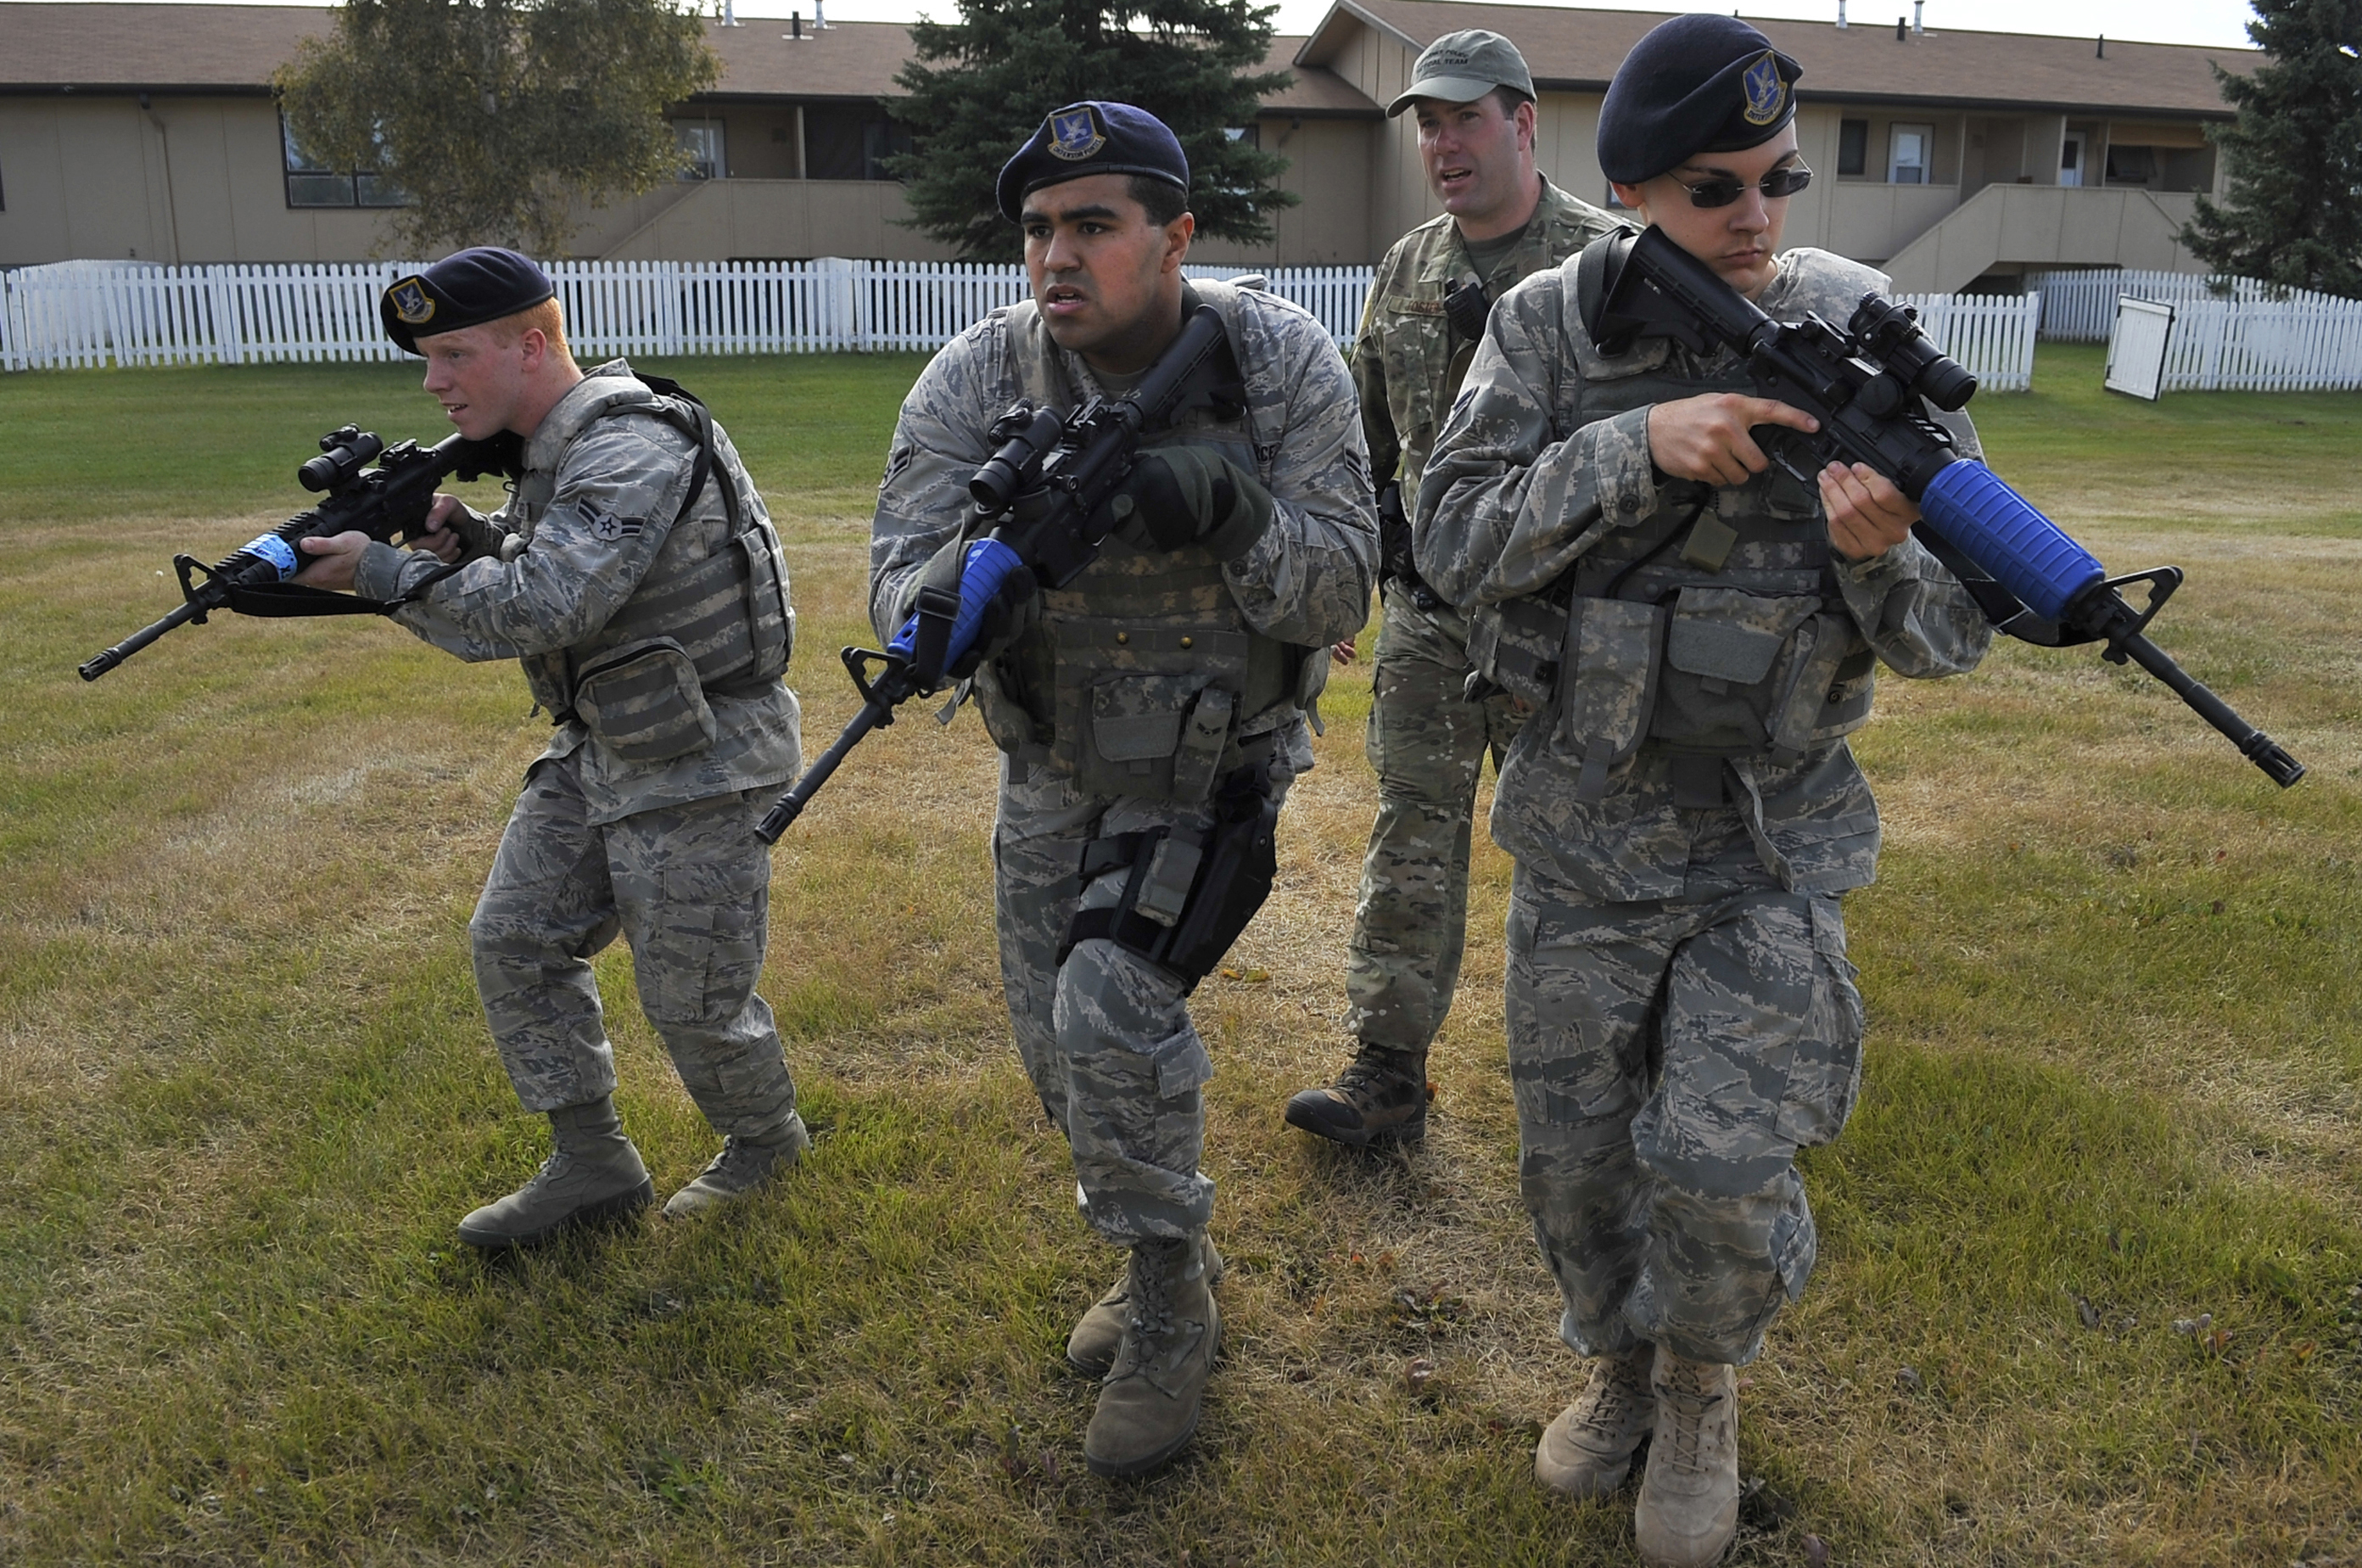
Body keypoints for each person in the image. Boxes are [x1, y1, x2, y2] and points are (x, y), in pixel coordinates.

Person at [1417, 18, 1993, 1565]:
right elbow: (1450, 541)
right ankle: (1613, 1369)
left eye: (1774, 180)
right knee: (1575, 1154)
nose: (1751, 218)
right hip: (1585, 830)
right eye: (1706, 189)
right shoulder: (1545, 324)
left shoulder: (1855, 329)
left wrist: (1880, 567)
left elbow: (1951, 633)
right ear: (1626, 192)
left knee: (1722, 1157)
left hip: (1767, 837)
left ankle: (1698, 1390)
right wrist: (1631, 447)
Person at [869, 103, 1376, 1478]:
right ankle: (1156, 1239)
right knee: (1057, 1055)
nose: (1055, 255)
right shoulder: (976, 378)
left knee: (1107, 1002)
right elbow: (895, 580)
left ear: (1174, 235)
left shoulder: (1274, 361)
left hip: (1218, 762)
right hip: (1052, 762)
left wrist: (1228, 504)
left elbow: (1343, 583)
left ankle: (1168, 1301)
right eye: (1037, 228)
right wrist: (979, 578)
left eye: (1090, 224)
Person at [294, 247, 809, 1250]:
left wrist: (384, 572)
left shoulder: (629, 443)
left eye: (454, 355)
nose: (434, 383)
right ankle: (593, 1163)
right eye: (425, 360)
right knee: (515, 938)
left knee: (692, 994)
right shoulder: (553, 445)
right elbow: (558, 567)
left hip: (704, 753)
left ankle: (765, 1142)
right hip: (607, 741)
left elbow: (551, 603)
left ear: (533, 346)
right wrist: (476, 540)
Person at [1284, 29, 1626, 1149]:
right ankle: (1388, 1077)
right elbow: (1363, 436)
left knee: (1584, 851)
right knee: (1412, 835)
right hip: (1434, 619)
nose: (1443, 142)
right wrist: (1367, 559)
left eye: (1464, 118)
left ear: (1523, 121)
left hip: (1568, 620)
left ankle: (1602, 1088)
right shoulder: (1408, 267)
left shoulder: (1610, 262)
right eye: (1428, 122)